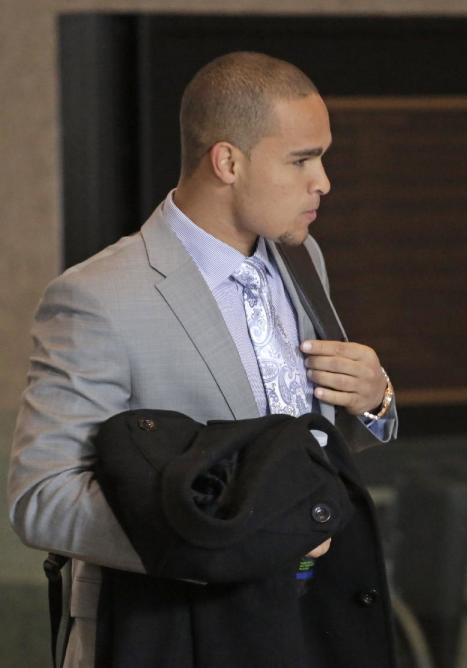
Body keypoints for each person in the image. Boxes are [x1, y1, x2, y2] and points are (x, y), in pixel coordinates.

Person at [7, 52, 397, 666]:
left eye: (322, 156)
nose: (323, 181)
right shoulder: (99, 296)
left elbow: (302, 450)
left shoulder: (303, 257)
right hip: (174, 633)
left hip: (318, 622)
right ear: (227, 161)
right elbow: (43, 499)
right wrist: (221, 544)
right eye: (301, 159)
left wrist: (375, 402)